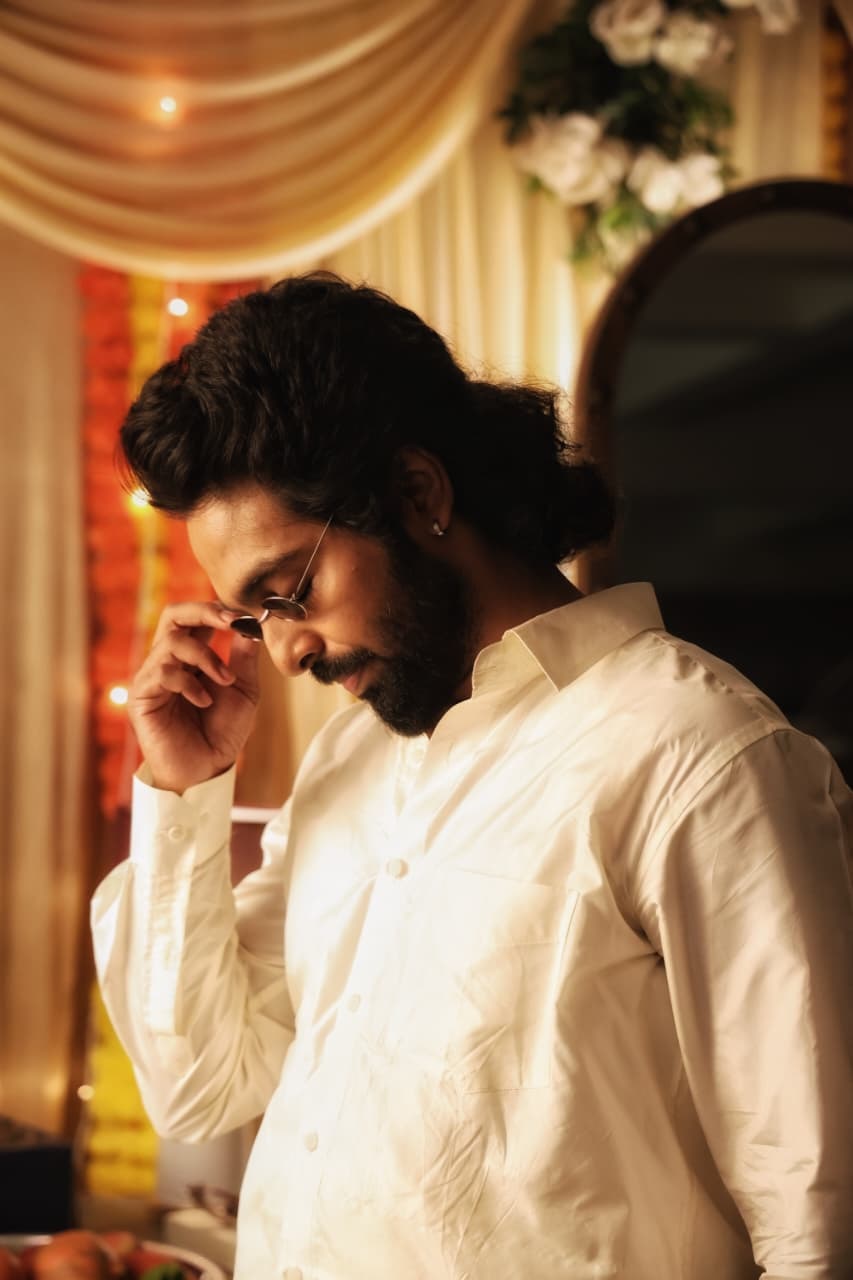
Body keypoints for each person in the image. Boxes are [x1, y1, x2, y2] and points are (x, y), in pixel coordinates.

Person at [91, 274, 853, 1280]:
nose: (284, 651)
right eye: (254, 615)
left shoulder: (696, 755)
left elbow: (816, 1215)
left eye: (291, 592)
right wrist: (180, 789)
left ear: (419, 495)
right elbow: (200, 1083)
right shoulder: (353, 760)